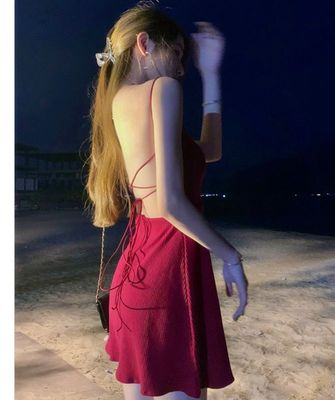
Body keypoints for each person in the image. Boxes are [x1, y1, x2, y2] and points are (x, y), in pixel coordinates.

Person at [85, 2, 249, 399]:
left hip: (136, 277)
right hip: (167, 277)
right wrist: (231, 257)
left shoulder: (117, 101)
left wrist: (210, 75)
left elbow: (209, 151)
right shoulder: (162, 90)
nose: (180, 68)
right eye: (175, 54)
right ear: (144, 44)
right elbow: (170, 204)